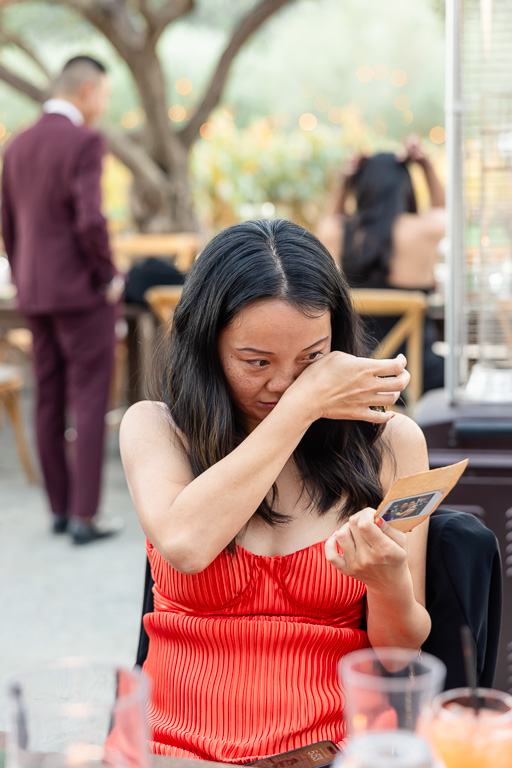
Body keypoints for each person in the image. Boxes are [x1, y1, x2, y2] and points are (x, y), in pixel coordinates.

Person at [120, 219, 431, 761]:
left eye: (313, 360)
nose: (284, 383)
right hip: (172, 748)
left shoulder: (392, 446)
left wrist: (387, 584)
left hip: (331, 747)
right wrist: (305, 405)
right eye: (256, 362)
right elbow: (187, 545)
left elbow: (400, 656)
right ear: (207, 347)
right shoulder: (157, 429)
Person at [1, 56, 125, 544]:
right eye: (105, 96)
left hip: (33, 292)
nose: (103, 106)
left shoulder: (16, 145)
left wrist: (26, 277)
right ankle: (84, 516)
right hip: (81, 293)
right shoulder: (84, 142)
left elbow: (7, 226)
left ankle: (58, 509)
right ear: (89, 90)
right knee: (90, 398)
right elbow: (90, 220)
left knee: (47, 397)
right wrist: (109, 275)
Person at [317, 136, 446, 393]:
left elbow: (327, 221)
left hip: (355, 377)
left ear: (360, 189)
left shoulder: (339, 233)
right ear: (406, 188)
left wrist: (346, 179)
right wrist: (425, 164)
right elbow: (443, 209)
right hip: (416, 377)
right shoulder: (423, 231)